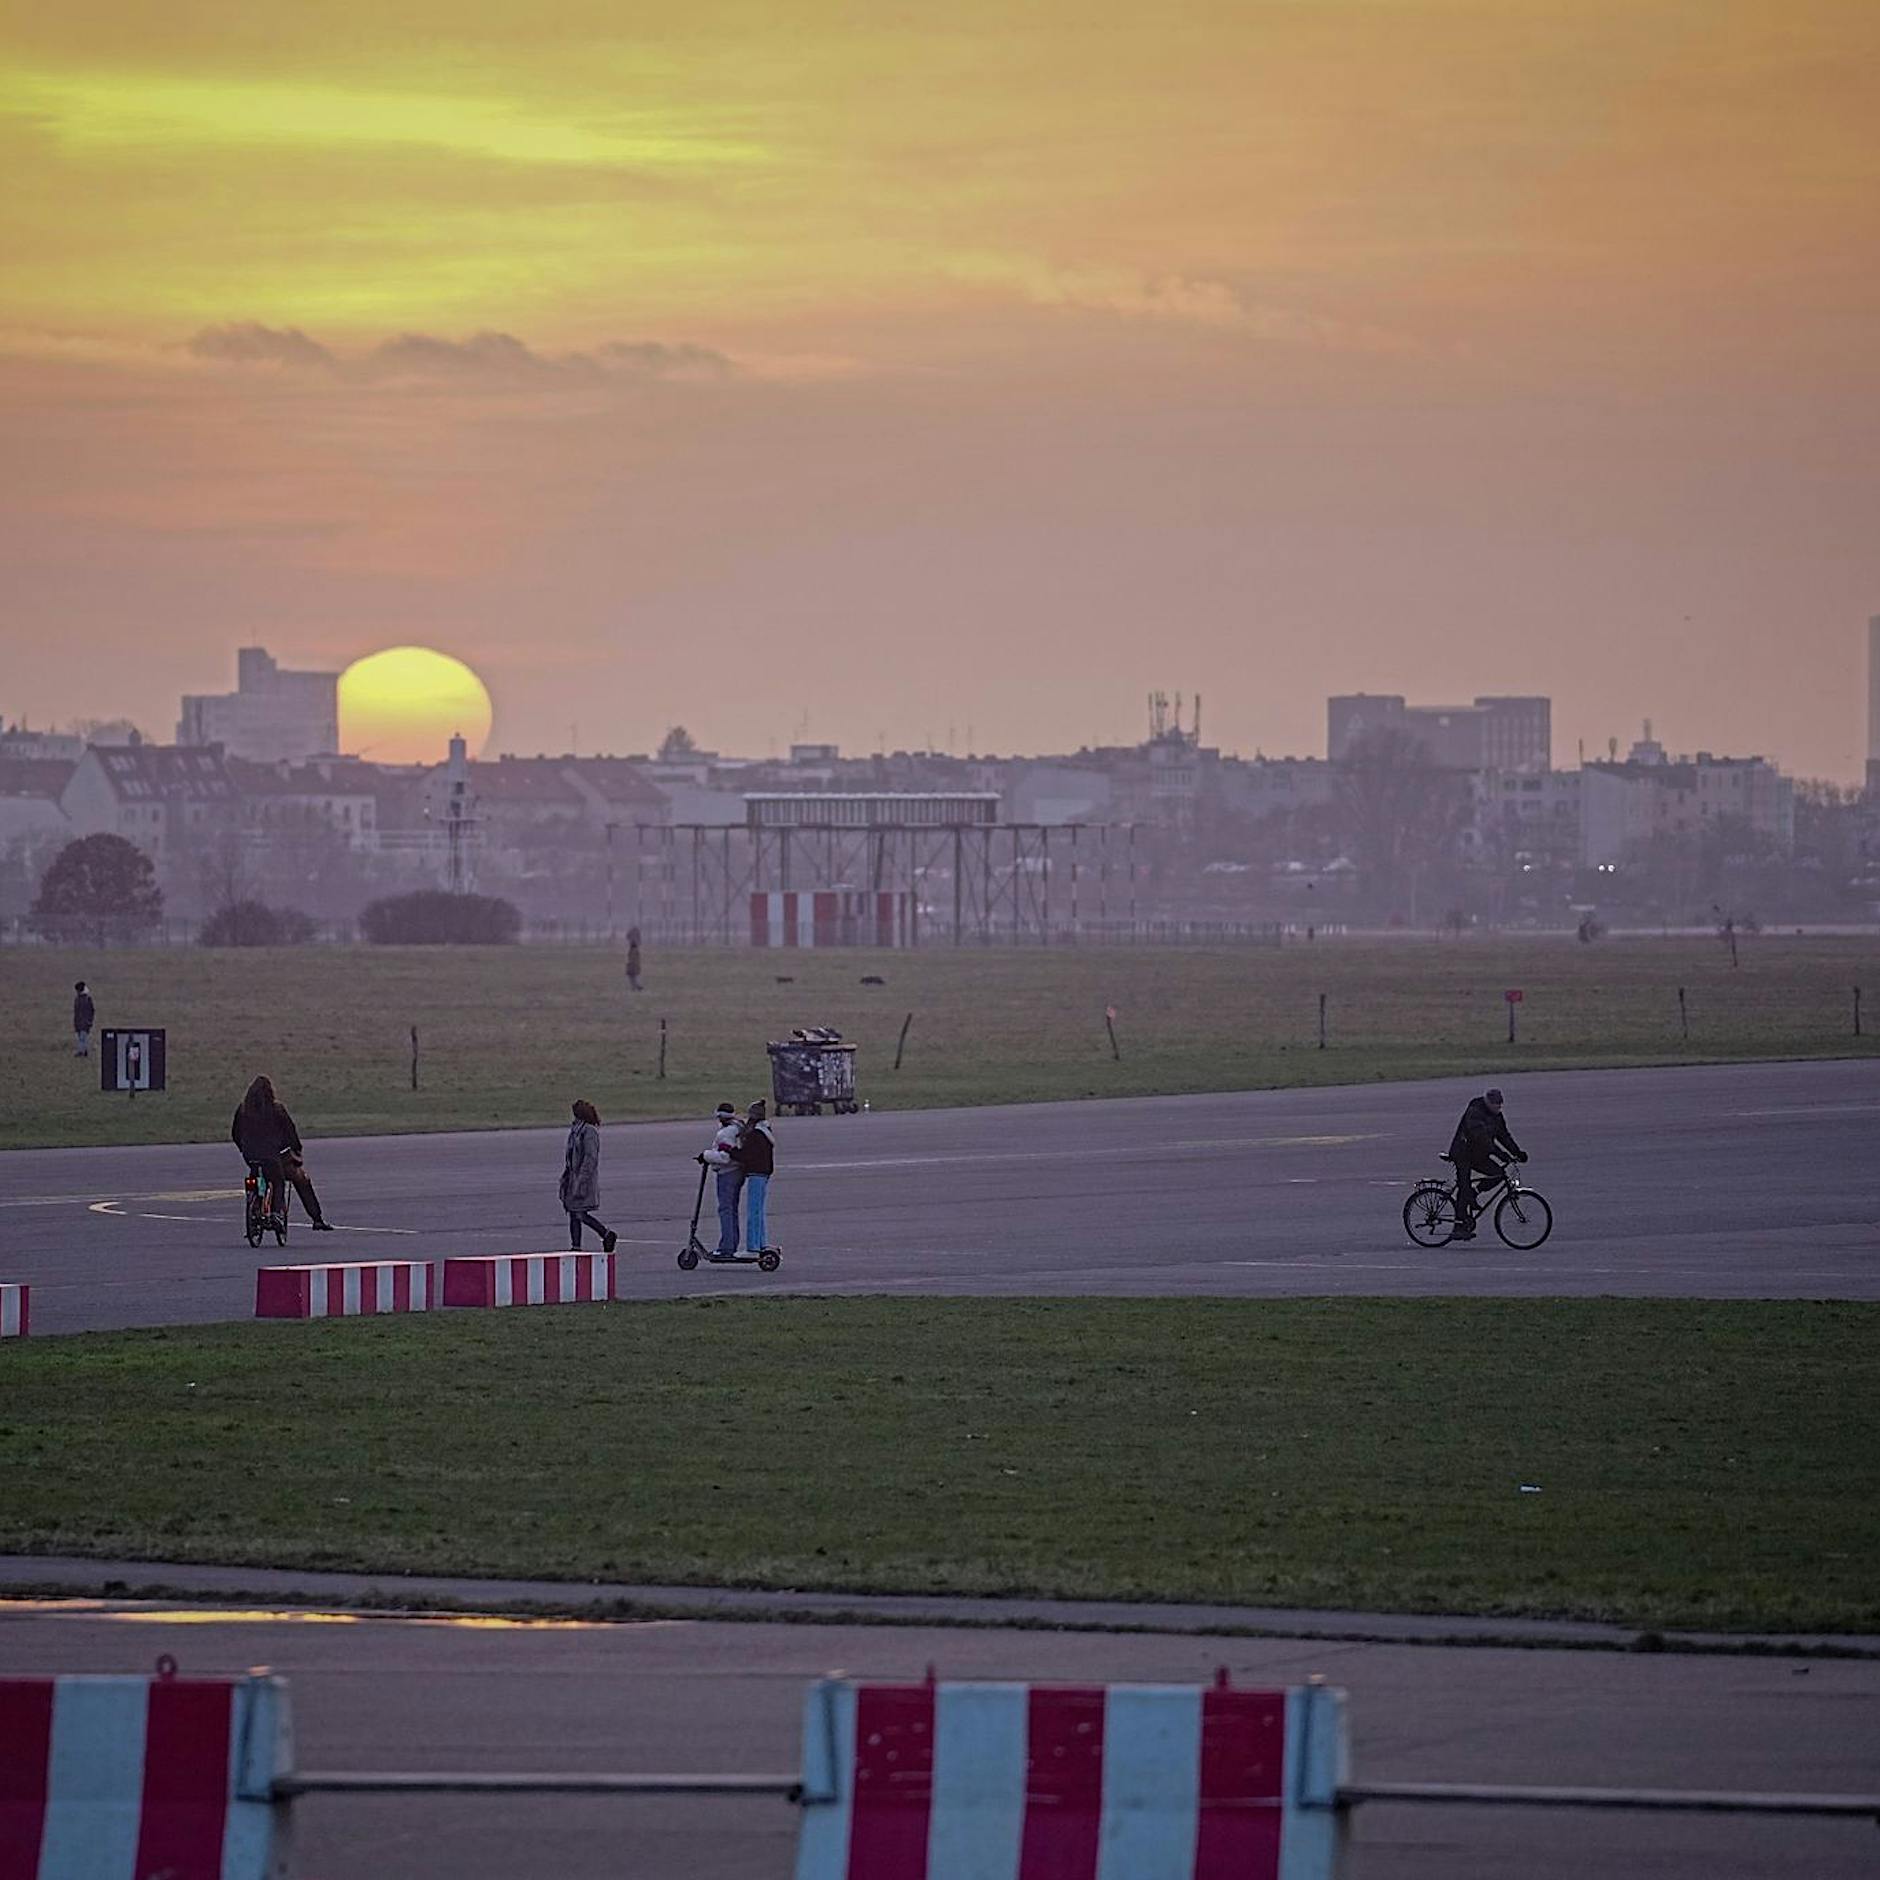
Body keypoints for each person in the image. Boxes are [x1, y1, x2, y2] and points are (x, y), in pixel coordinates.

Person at [231, 1075, 334, 1230]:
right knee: (278, 1181)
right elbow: (290, 1132)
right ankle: (282, 1213)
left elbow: (235, 1133)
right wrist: (296, 1150)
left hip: (250, 1155)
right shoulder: (277, 1109)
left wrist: (243, 1148)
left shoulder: (243, 1109)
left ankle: (254, 1205)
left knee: (255, 1178)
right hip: (273, 1156)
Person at [1447, 1086, 1525, 1240]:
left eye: (1500, 1105)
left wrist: (1518, 1152)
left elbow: (1504, 1136)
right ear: (1487, 1102)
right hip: (1463, 1153)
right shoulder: (1475, 1112)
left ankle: (1475, 1192)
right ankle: (1458, 1227)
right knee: (1464, 1188)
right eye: (1495, 1105)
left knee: (1498, 1174)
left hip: (1478, 1155)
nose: (1498, 1108)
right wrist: (1501, 1154)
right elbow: (1483, 1140)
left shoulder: (1497, 1116)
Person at [559, 1099, 618, 1252]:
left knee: (580, 1213)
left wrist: (581, 1180)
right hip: (572, 1177)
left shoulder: (589, 1132)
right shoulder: (576, 1130)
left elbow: (590, 1158)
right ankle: (576, 1246)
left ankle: (606, 1234)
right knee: (573, 1212)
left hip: (583, 1178)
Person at [699, 1101, 745, 1260]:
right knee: (731, 1210)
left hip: (727, 1173)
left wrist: (706, 1155)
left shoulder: (726, 1133)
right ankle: (731, 1244)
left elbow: (725, 1158)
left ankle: (726, 1247)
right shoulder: (738, 1127)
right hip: (737, 1172)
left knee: (725, 1209)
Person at [737, 1099, 776, 1253]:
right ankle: (762, 1242)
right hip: (764, 1172)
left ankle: (753, 1245)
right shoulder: (766, 1131)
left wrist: (729, 1151)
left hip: (756, 1173)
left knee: (753, 1211)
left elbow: (746, 1155)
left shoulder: (755, 1134)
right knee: (759, 1210)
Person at [72, 981, 95, 1058]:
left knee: (82, 1038)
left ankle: (81, 1052)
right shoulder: (80, 999)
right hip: (79, 1022)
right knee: (82, 1038)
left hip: (84, 1022)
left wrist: (89, 1021)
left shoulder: (85, 999)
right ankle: (84, 1051)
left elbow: (91, 1011)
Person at [624, 926, 643, 993]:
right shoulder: (635, 950)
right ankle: (636, 986)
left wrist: (629, 964)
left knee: (633, 976)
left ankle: (636, 986)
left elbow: (631, 959)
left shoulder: (633, 950)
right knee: (633, 976)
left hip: (632, 965)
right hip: (633, 965)